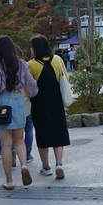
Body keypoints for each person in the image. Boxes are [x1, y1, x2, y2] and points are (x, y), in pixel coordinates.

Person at [0, 35, 39, 190]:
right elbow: (32, 86)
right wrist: (33, 93)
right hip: (18, 101)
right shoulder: (22, 64)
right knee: (19, 139)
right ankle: (24, 165)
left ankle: (9, 180)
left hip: (3, 104)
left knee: (6, 144)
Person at [27, 35, 71, 179]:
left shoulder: (31, 65)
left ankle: (46, 167)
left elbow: (28, 88)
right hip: (56, 102)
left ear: (35, 49)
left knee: (43, 134)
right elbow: (66, 78)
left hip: (39, 104)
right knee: (58, 132)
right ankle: (59, 163)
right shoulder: (58, 60)